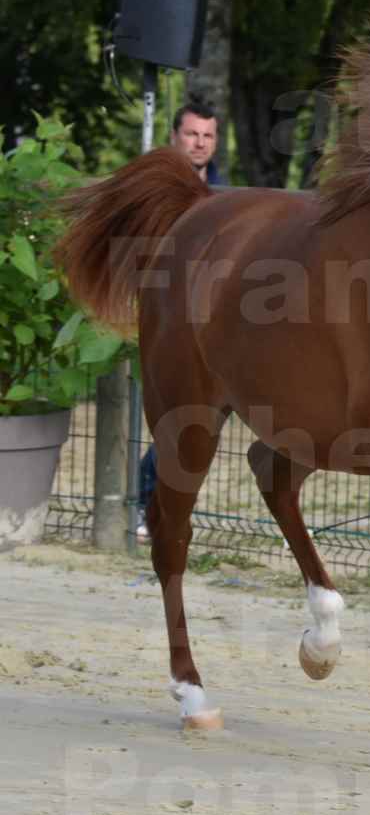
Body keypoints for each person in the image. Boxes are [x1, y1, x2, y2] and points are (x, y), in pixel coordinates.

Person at [136, 99, 223, 540]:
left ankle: (160, 509)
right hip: (164, 314)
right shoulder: (154, 192)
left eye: (208, 135)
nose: (200, 143)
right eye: (192, 134)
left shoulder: (227, 197)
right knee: (172, 420)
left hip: (213, 321)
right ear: (175, 137)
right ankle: (147, 505)